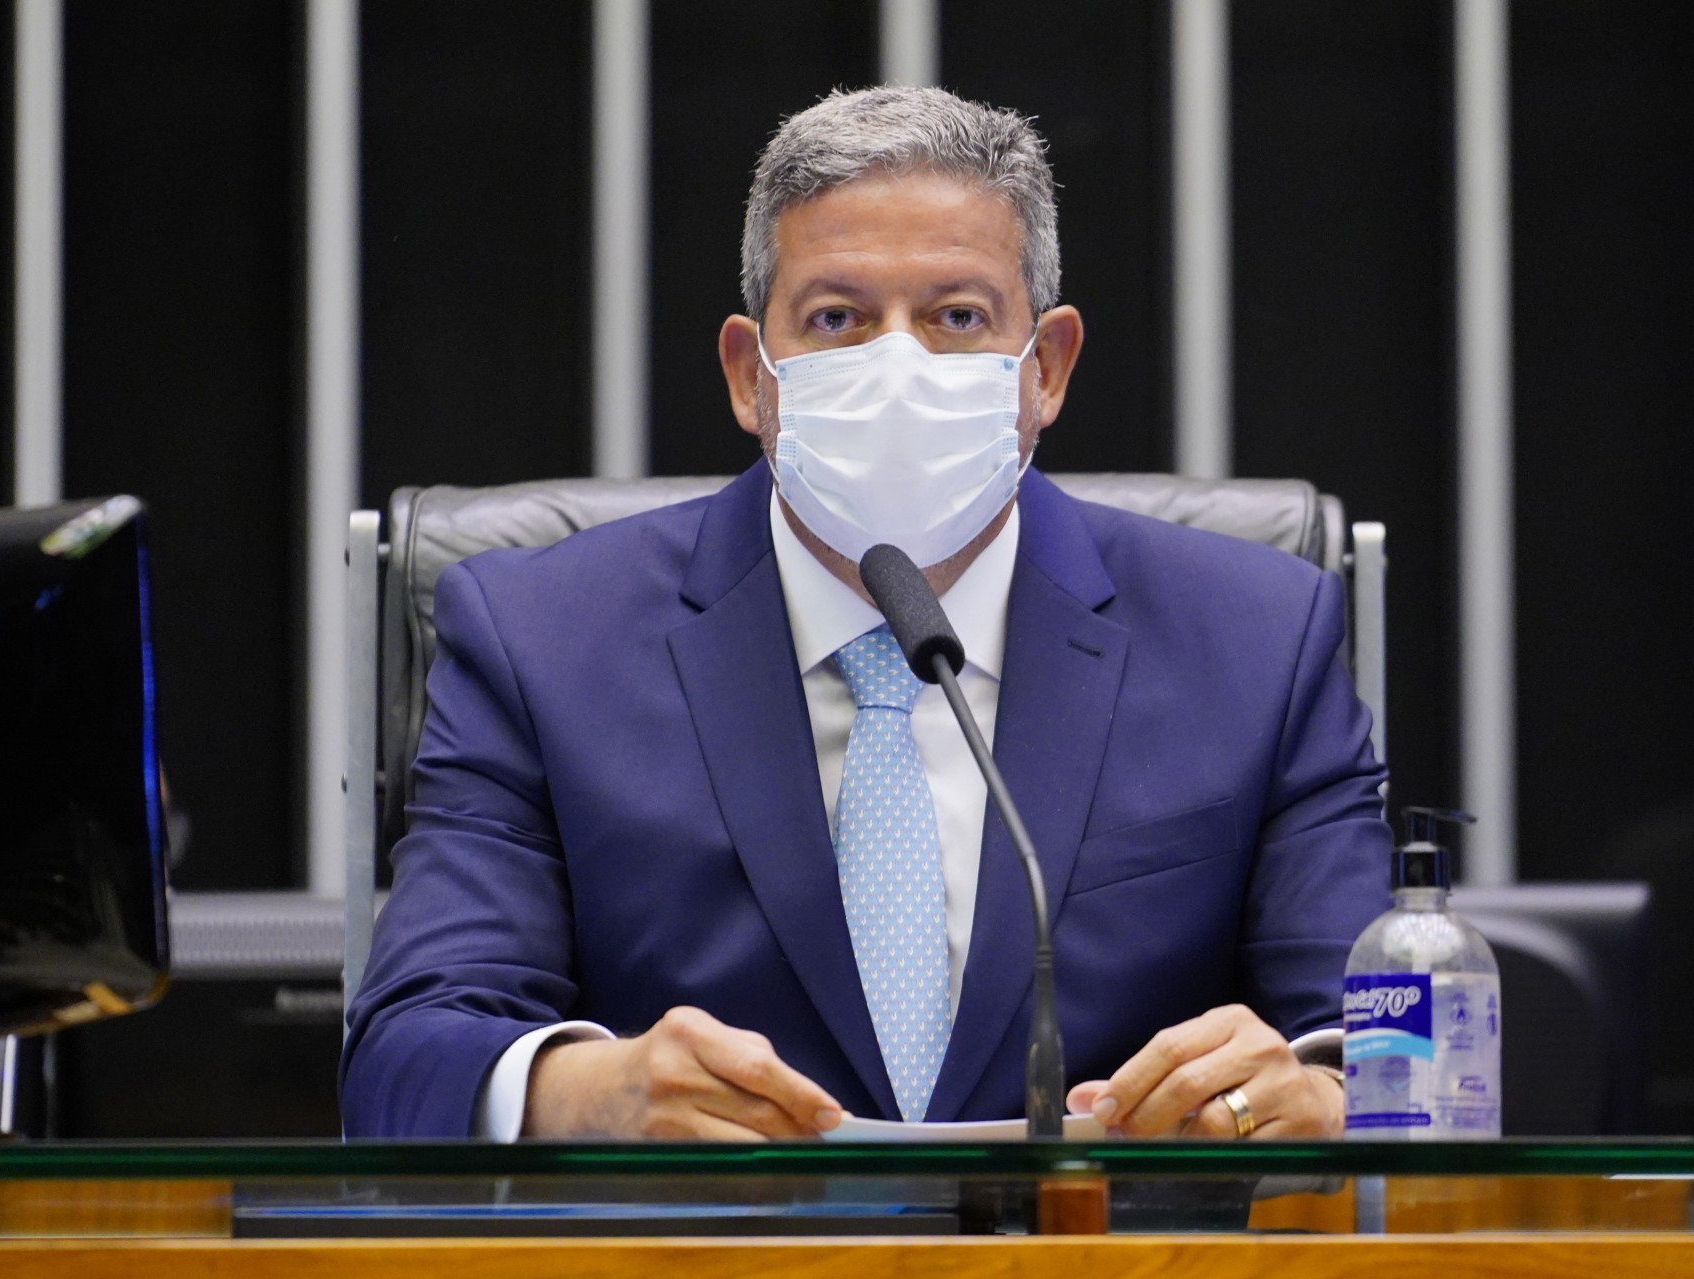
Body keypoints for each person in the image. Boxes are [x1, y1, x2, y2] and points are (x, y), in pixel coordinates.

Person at [341, 86, 1390, 1142]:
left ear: (1047, 369)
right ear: (751, 376)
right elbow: (407, 1055)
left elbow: (1389, 1049)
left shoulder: (1258, 639)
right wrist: (585, 1092)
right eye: (836, 320)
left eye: (958, 317)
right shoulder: (538, 639)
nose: (898, 367)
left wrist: (1322, 1097)